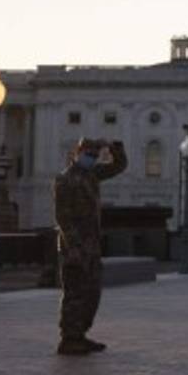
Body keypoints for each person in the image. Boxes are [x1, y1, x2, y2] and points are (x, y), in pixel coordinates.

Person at [53, 138, 127, 355]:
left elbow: (118, 166)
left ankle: (81, 334)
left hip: (91, 245)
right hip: (74, 247)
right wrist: (74, 246)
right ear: (77, 153)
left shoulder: (92, 175)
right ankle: (69, 338)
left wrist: (114, 148)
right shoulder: (65, 179)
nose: (92, 158)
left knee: (92, 293)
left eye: (95, 155)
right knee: (75, 292)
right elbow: (63, 217)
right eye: (89, 153)